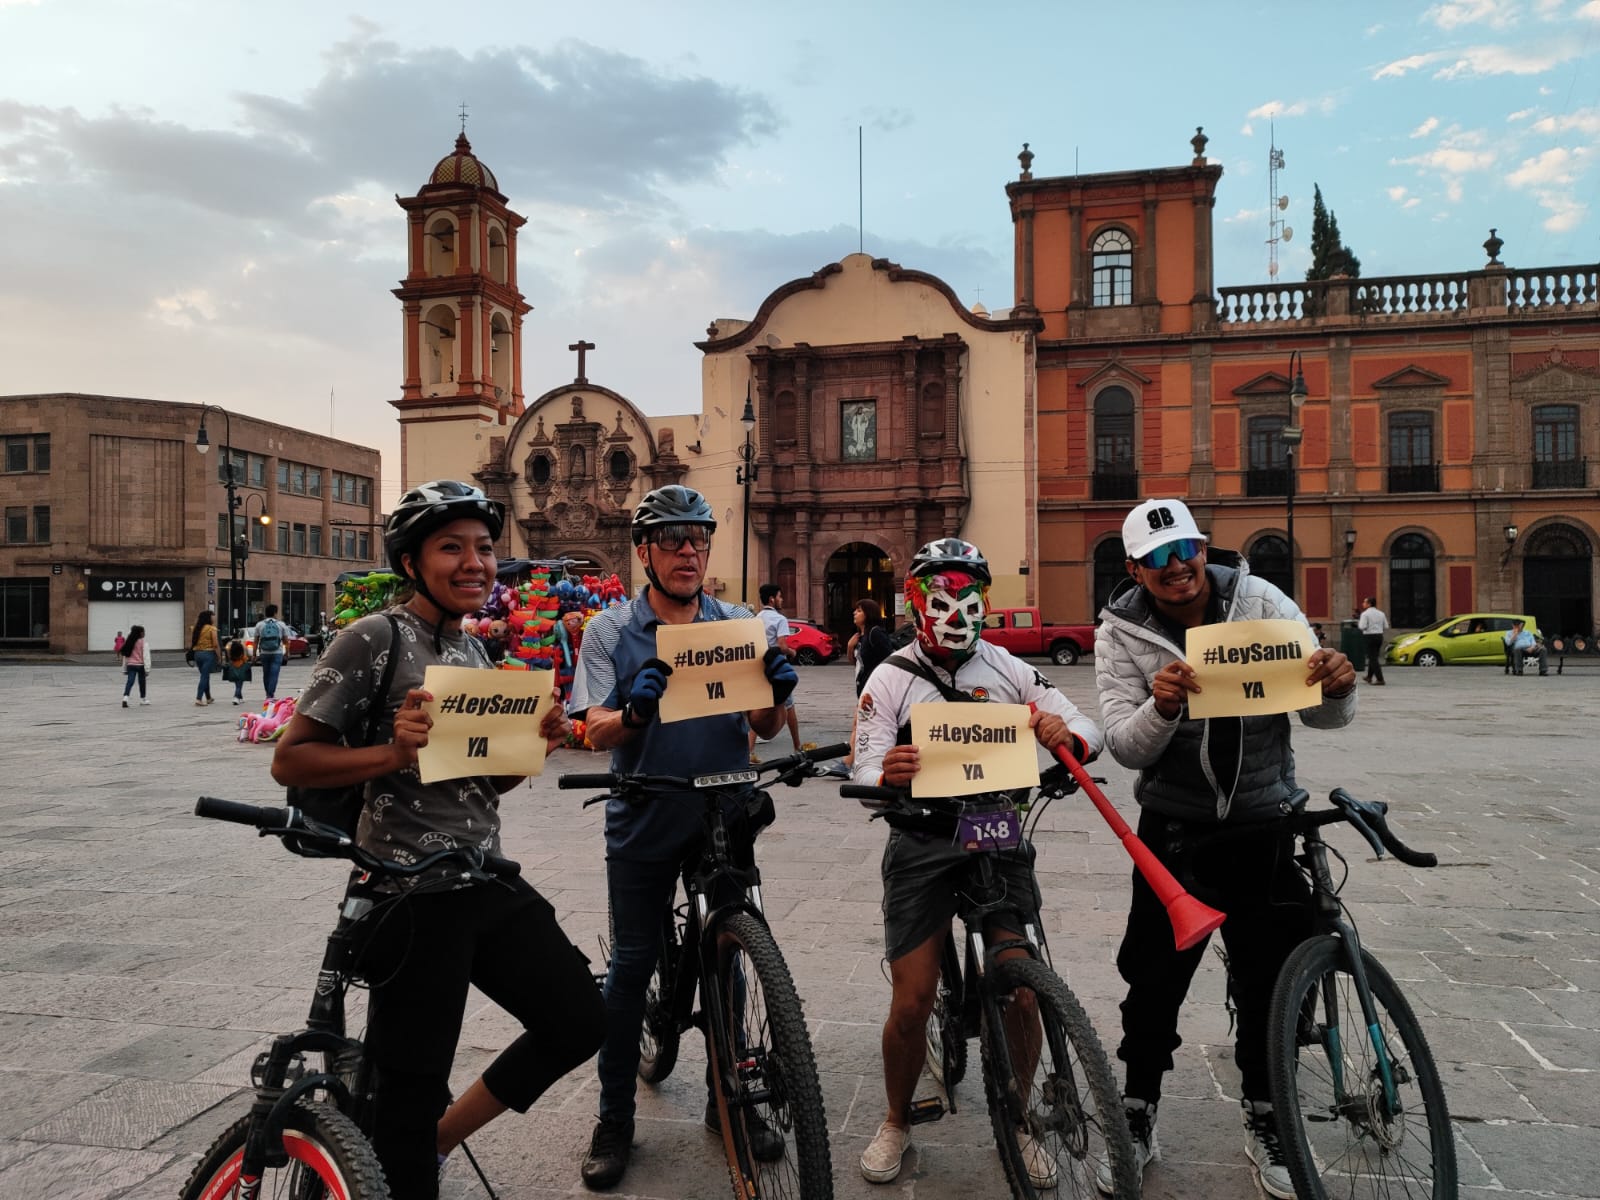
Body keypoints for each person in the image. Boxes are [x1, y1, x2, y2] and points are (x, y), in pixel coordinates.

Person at [271, 481, 604, 1200]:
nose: (474, 563)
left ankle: (438, 1140)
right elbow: (291, 758)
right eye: (451, 547)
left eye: (483, 548)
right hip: (408, 896)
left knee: (579, 1019)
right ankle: (407, 1157)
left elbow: (479, 785)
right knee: (407, 1095)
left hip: (483, 878)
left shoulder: (474, 655)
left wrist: (529, 751)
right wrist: (391, 753)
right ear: (412, 561)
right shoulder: (374, 638)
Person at [1092, 499, 1357, 1199]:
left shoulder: (1262, 600)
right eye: (1156, 558)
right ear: (1134, 569)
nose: (1176, 566)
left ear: (1204, 547)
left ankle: (1266, 1113)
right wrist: (1163, 708)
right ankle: (1140, 1106)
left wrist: (1338, 686)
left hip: (1265, 817)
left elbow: (1321, 713)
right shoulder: (1120, 629)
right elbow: (1122, 745)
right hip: (1172, 828)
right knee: (1153, 979)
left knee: (1268, 978)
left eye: (1185, 549)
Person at [851, 538, 1103, 1186]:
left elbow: (1085, 727)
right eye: (941, 596)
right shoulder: (890, 676)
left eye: (968, 595)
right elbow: (863, 763)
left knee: (1022, 988)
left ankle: (1018, 1117)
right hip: (924, 840)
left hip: (997, 832)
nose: (955, 608)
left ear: (983, 601)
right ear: (916, 602)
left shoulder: (1010, 668)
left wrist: (1063, 734)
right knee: (912, 1002)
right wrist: (889, 772)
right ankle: (897, 1120)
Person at [569, 484, 799, 1190]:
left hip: (723, 809)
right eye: (671, 540)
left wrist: (778, 691)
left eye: (698, 539)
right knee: (634, 966)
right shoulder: (611, 631)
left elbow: (762, 728)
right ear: (644, 552)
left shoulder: (736, 624)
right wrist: (634, 712)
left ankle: (727, 1099)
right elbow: (589, 729)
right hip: (645, 808)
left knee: (727, 957)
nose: (688, 552)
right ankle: (614, 1117)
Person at [819, 598, 894, 779]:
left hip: (875, 690)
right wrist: (850, 646)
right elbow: (857, 663)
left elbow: (890, 659)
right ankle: (853, 763)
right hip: (864, 688)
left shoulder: (876, 634)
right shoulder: (862, 636)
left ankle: (848, 764)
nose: (855, 613)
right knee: (859, 725)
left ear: (868, 614)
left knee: (859, 725)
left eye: (859, 611)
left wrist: (881, 683)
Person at [749, 582, 804, 760]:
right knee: (789, 707)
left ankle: (748, 752)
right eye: (780, 596)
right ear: (772, 599)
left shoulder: (757, 618)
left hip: (759, 668)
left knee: (758, 709)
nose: (782, 599)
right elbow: (781, 645)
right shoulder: (779, 619)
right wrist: (792, 651)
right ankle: (797, 747)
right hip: (777, 671)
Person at [252, 603, 289, 700]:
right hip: (277, 653)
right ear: (275, 613)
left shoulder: (259, 625)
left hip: (264, 653)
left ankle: (268, 694)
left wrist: (254, 655)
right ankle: (270, 695)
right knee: (274, 674)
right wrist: (287, 653)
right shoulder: (281, 624)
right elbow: (286, 641)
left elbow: (255, 641)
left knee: (266, 674)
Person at [189, 610, 220, 706]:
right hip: (208, 654)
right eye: (212, 616)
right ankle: (198, 698)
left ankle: (209, 697)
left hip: (197, 654)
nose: (214, 618)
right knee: (204, 676)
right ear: (208, 618)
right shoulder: (212, 629)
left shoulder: (196, 628)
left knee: (205, 675)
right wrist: (219, 656)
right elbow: (215, 644)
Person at [119, 624, 151, 707]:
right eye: (143, 632)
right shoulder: (143, 642)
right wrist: (147, 669)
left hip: (130, 665)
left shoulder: (129, 642)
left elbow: (125, 657)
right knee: (142, 682)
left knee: (130, 681)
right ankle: (143, 699)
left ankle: (125, 697)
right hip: (140, 666)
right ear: (140, 633)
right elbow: (146, 657)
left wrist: (125, 668)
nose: (144, 633)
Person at [1358, 595, 1388, 685]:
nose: (1363, 604)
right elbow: (1386, 626)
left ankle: (1380, 679)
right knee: (1374, 656)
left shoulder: (1365, 614)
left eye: (1364, 602)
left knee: (1372, 658)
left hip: (1369, 636)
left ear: (1369, 604)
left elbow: (1362, 626)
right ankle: (1369, 676)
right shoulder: (1381, 613)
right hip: (1379, 636)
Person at [221, 638, 252, 705]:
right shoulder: (242, 656)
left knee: (237, 685)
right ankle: (236, 697)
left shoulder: (231, 655)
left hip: (233, 669)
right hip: (241, 668)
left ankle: (240, 698)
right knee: (239, 685)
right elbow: (246, 657)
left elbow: (228, 655)